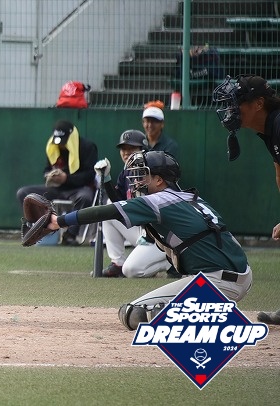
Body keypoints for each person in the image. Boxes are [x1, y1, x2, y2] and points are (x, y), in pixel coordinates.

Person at [41, 150, 252, 330]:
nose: (136, 182)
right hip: (242, 275)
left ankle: (205, 315)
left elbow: (105, 211)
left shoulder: (157, 200)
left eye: (143, 176)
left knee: (133, 314)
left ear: (159, 180)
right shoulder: (192, 198)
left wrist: (59, 221)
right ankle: (205, 309)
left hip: (216, 281)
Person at [213, 74, 280, 325]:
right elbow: (279, 173)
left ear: (259, 104)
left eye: (237, 102)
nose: (231, 109)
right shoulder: (271, 129)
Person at [94, 129, 171, 278]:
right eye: (123, 149)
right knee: (109, 208)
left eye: (131, 148)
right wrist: (107, 179)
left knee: (131, 271)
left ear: (143, 150)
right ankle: (117, 263)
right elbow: (118, 203)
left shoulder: (152, 172)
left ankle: (170, 262)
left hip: (159, 235)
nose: (126, 152)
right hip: (141, 231)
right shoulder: (126, 173)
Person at [16, 120, 98, 246]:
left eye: (64, 142)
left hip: (79, 188)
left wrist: (66, 178)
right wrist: (50, 176)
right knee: (24, 193)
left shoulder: (87, 147)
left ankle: (70, 235)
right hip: (56, 189)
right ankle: (39, 229)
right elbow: (46, 170)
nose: (61, 145)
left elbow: (90, 175)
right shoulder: (53, 147)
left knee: (85, 197)